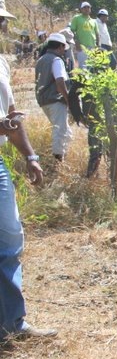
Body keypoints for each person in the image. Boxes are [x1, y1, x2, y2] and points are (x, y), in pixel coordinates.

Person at [0, 18, 53, 340]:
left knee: (9, 241)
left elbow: (11, 116)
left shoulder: (2, 64)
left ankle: (12, 324)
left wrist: (31, 156)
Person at [35, 33, 72, 162]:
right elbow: (60, 82)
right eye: (64, 47)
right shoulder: (56, 60)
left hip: (44, 101)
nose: (64, 51)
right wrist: (68, 99)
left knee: (65, 131)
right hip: (55, 100)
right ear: (60, 46)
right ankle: (58, 161)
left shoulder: (41, 59)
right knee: (60, 131)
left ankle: (63, 157)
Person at [69, 1, 99, 69]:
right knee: (83, 67)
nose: (86, 9)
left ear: (90, 9)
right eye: (84, 7)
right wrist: (76, 43)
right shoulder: (77, 18)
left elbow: (97, 34)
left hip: (92, 47)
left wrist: (98, 46)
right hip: (82, 47)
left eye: (88, 7)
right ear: (81, 9)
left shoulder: (94, 21)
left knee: (91, 67)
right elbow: (72, 31)